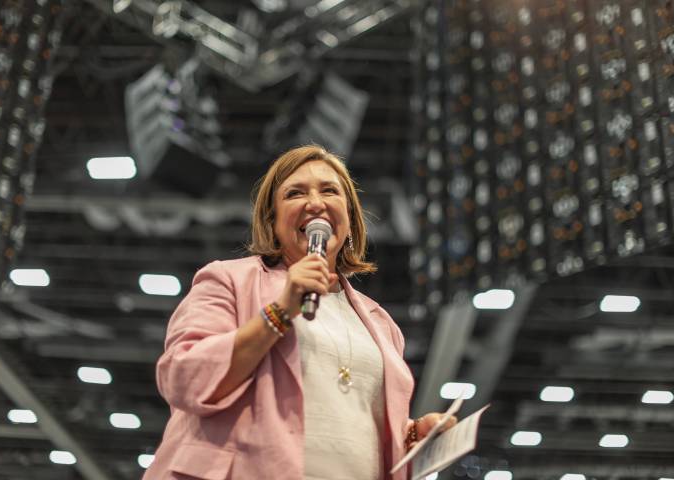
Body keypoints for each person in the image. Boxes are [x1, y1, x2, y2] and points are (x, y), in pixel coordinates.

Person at [143, 145, 455, 480]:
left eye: (329, 191)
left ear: (350, 219)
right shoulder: (228, 280)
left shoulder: (381, 323)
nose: (315, 203)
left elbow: (353, 420)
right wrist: (280, 312)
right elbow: (184, 377)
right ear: (273, 221)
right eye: (295, 193)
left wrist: (412, 437)